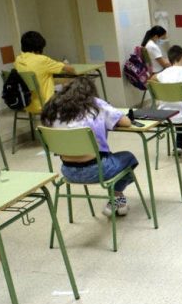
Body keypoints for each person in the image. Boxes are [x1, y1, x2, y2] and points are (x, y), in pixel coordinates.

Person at [40, 77, 138, 216]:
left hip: (67, 171)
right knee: (128, 158)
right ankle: (116, 196)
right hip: (98, 170)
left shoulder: (53, 108)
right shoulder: (96, 105)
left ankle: (118, 200)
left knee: (116, 160)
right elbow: (126, 122)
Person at [14, 31, 76, 115]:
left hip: (26, 103)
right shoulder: (42, 60)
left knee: (56, 81)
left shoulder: (18, 60)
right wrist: (64, 64)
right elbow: (70, 69)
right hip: (46, 104)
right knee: (72, 85)